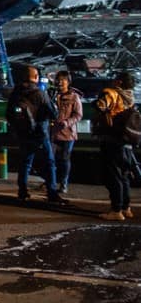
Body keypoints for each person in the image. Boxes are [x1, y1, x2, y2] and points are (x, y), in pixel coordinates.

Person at [6, 64, 64, 204]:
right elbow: (53, 113)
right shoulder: (40, 93)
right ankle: (52, 192)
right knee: (49, 162)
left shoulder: (16, 93)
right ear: (35, 77)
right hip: (40, 133)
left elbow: (8, 114)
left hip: (24, 133)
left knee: (25, 162)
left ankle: (22, 191)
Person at [93, 71, 141, 221]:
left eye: (115, 79)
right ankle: (126, 208)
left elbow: (100, 106)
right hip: (127, 142)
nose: (113, 81)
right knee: (124, 176)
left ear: (119, 82)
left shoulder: (111, 94)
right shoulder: (130, 97)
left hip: (112, 140)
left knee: (114, 176)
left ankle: (116, 210)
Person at [50, 69, 82, 196]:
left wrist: (67, 122)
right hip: (53, 133)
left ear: (68, 82)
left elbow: (78, 115)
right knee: (50, 159)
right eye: (58, 80)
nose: (60, 82)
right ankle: (50, 182)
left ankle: (63, 184)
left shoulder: (74, 97)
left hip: (68, 134)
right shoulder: (53, 95)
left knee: (64, 160)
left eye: (63, 80)